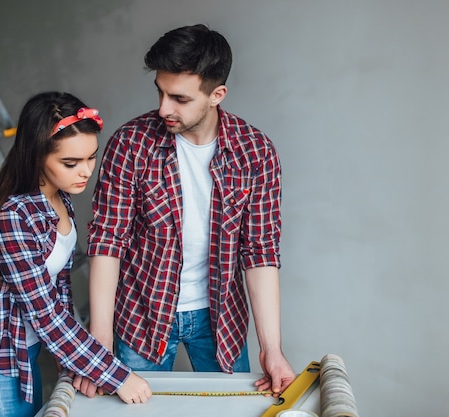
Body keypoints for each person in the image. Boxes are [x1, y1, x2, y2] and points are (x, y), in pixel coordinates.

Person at [78, 24, 297, 398]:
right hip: (142, 314)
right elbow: (107, 241)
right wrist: (99, 340)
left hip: (220, 319)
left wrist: (271, 348)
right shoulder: (131, 143)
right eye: (160, 93)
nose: (164, 108)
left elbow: (260, 251)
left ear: (217, 95)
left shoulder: (256, 153)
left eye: (179, 98)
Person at [0, 92, 152, 417]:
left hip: (23, 356)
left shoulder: (58, 199)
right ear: (38, 156)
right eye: (70, 163)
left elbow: (58, 291)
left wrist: (72, 358)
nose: (85, 172)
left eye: (91, 158)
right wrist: (116, 375)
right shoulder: (13, 216)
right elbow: (45, 313)